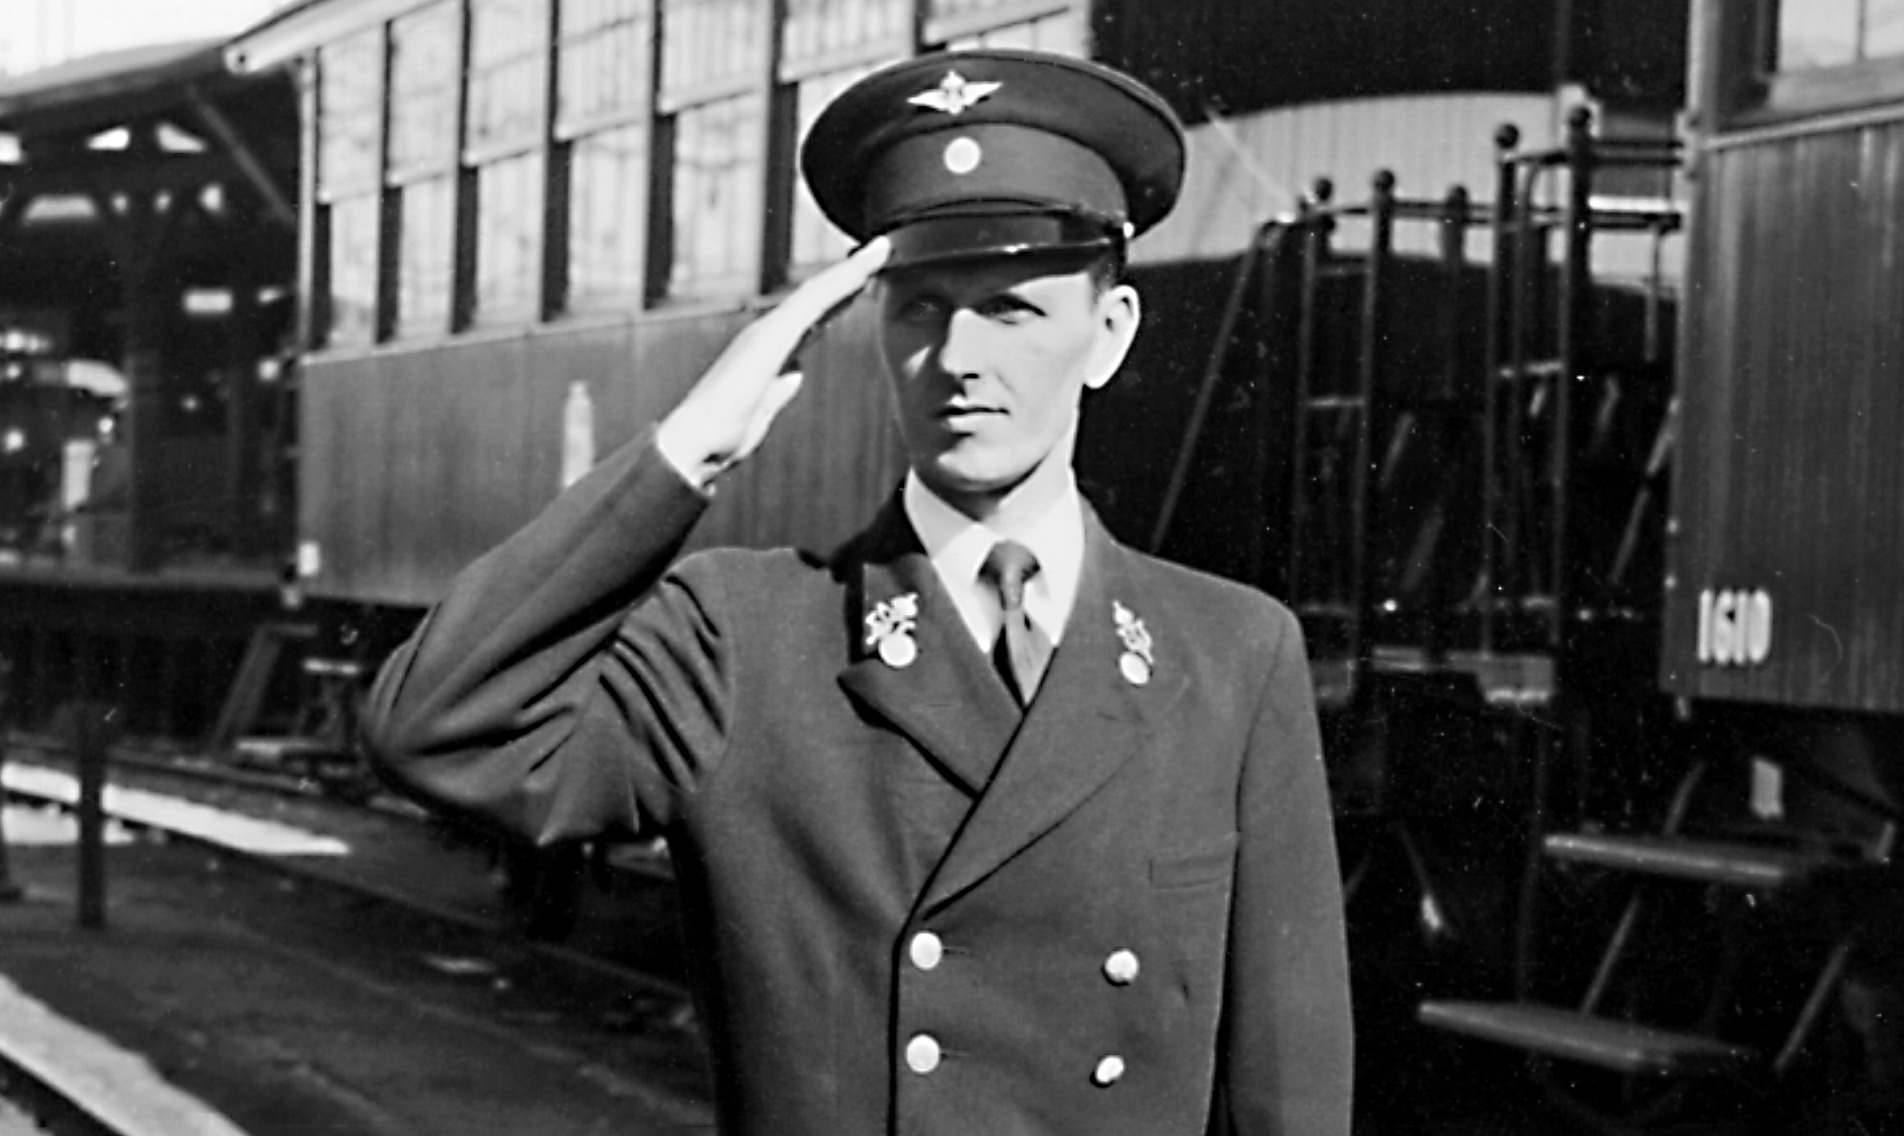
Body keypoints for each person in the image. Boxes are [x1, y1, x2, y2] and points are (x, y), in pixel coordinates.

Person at [364, 48, 1351, 1136]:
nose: (957, 356)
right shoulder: (744, 637)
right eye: (918, 307)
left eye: (1011, 309)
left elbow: (1288, 1088)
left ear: (1107, 335)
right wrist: (690, 448)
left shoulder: (1231, 652)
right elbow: (436, 727)